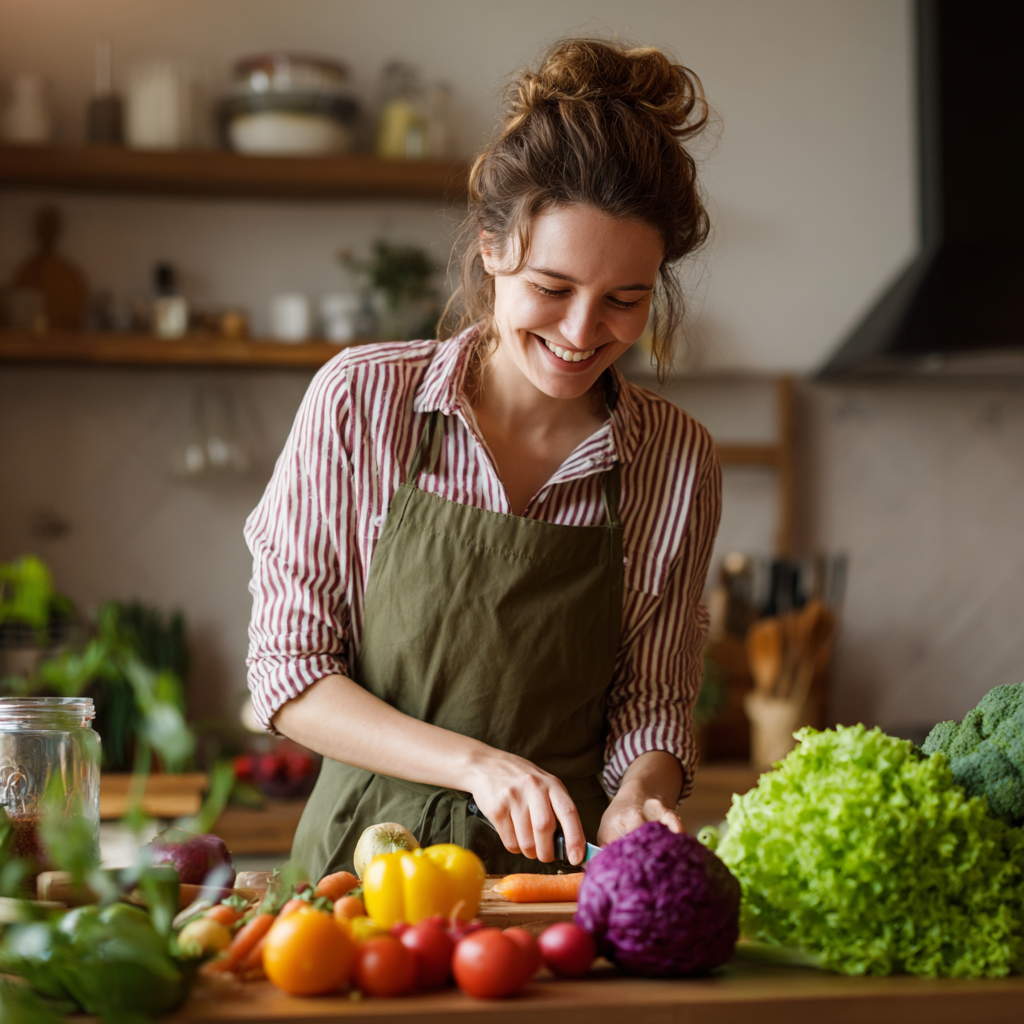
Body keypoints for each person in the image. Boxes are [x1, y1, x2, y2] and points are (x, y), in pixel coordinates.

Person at [245, 38, 722, 880]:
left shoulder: (674, 458)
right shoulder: (364, 402)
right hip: (358, 881)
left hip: (556, 889)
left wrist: (642, 792)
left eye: (625, 300)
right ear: (491, 250)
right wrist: (477, 765)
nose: (582, 334)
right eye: (552, 286)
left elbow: (652, 704)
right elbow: (290, 674)